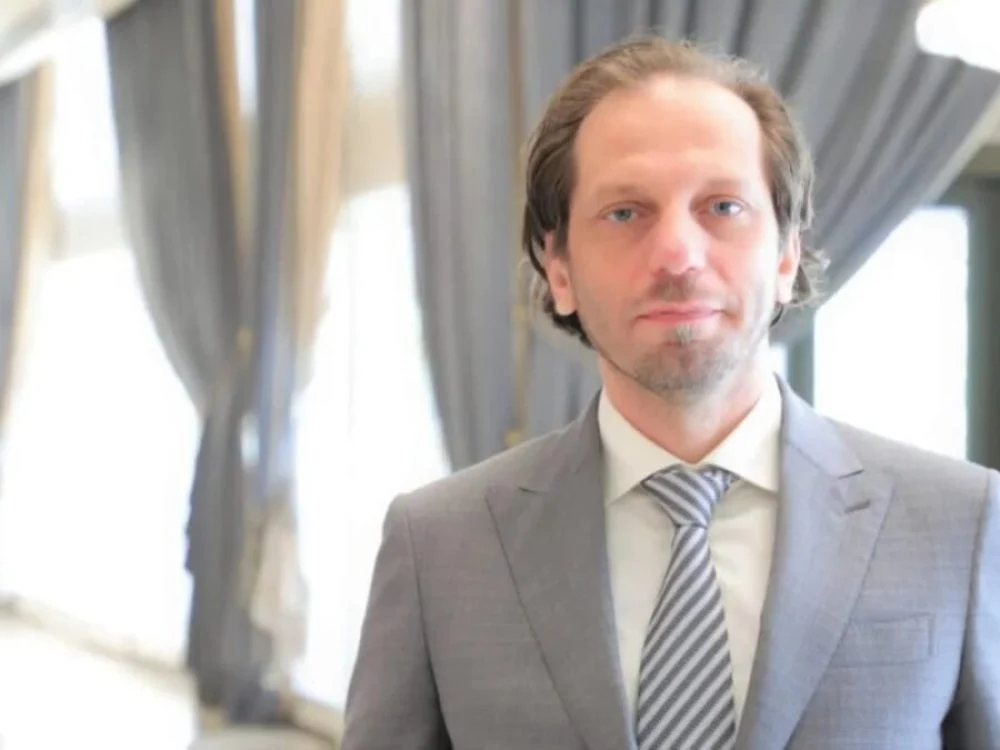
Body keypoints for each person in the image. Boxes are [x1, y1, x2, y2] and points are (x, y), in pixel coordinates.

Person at [340, 35, 999, 750]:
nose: (678, 256)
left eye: (723, 206)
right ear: (559, 269)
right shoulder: (439, 546)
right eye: (625, 212)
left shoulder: (962, 525)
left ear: (786, 256)